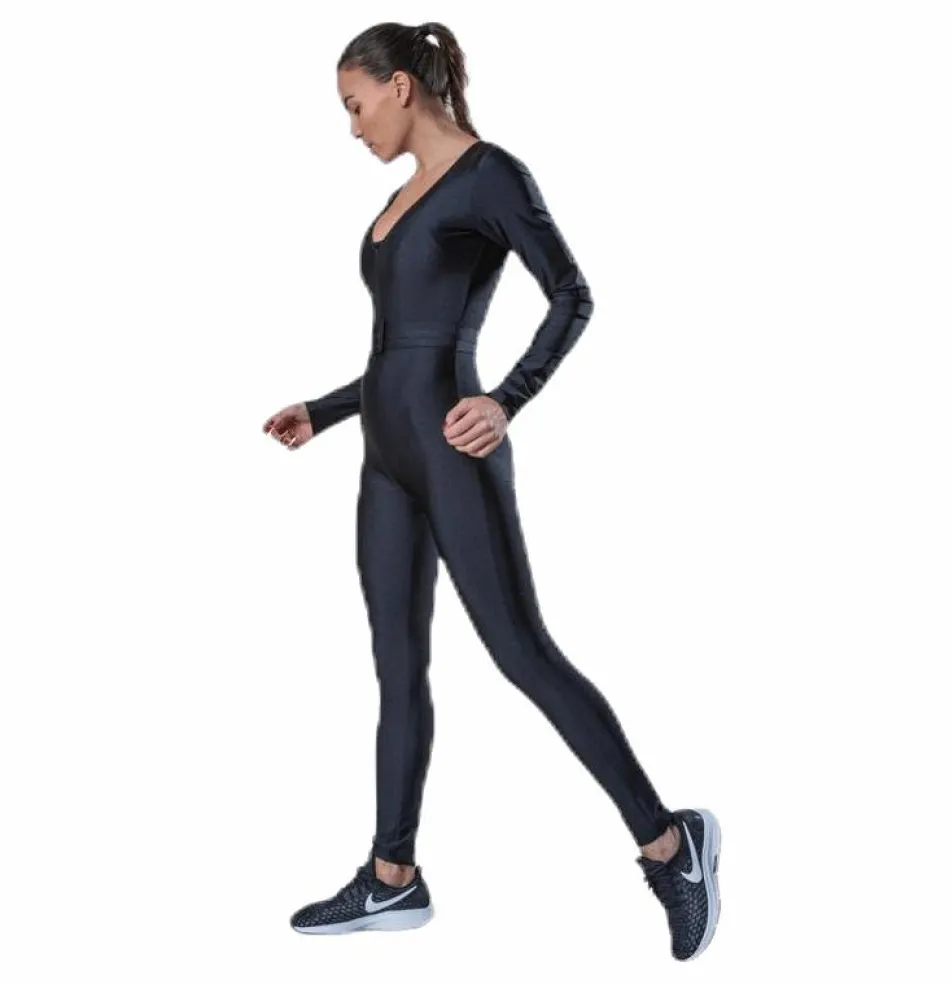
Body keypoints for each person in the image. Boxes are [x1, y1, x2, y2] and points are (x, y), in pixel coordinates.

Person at [262, 20, 721, 961]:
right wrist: (327, 409)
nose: (352, 127)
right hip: (386, 459)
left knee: (522, 653)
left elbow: (573, 294)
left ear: (399, 87)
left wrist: (507, 400)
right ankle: (393, 877)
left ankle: (672, 845)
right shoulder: (401, 196)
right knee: (397, 668)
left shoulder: (490, 176)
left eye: (355, 105)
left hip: (453, 449)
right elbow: (398, 350)